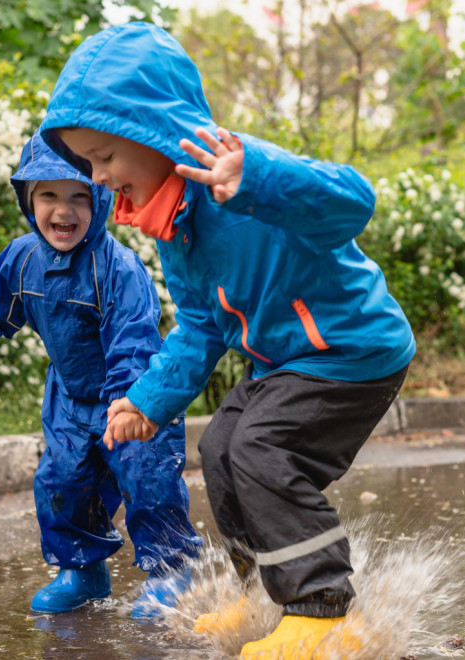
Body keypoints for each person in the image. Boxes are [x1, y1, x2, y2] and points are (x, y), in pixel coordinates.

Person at [39, 22, 415, 658]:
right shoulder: (173, 227)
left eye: (103, 157)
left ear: (149, 131)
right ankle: (268, 592)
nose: (97, 177)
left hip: (352, 351)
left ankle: (320, 610)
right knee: (219, 446)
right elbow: (200, 326)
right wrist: (146, 401)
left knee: (262, 451)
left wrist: (260, 178)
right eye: (87, 164)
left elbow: (355, 201)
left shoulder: (241, 171)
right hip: (286, 361)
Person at [0, 132, 203, 620]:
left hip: (132, 398)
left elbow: (133, 339)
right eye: (48, 195)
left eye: (79, 196)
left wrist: (133, 404)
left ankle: (173, 572)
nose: (63, 210)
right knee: (61, 482)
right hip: (70, 401)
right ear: (28, 200)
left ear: (100, 196)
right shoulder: (23, 257)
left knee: (148, 481)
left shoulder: (117, 268)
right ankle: (82, 570)